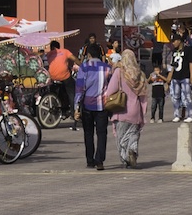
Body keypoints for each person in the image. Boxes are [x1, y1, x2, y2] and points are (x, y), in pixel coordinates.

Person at [104, 49, 150, 168]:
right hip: (135, 111)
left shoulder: (119, 71)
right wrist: (143, 111)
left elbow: (110, 90)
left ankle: (125, 159)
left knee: (121, 138)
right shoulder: (140, 74)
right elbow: (143, 96)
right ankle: (132, 150)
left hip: (121, 109)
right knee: (133, 135)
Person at [75, 42, 113, 170]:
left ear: (89, 55)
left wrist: (76, 107)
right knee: (102, 133)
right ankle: (100, 160)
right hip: (103, 105)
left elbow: (79, 88)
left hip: (87, 105)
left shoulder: (84, 67)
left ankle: (90, 160)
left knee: (88, 133)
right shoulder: (107, 68)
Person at [46, 40, 78, 131]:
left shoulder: (48, 54)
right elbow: (75, 59)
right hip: (65, 76)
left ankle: (60, 106)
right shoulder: (65, 51)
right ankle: (73, 113)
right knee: (72, 92)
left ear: (51, 47)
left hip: (53, 77)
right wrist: (82, 66)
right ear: (58, 47)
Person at [167, 37, 192, 123]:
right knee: (176, 97)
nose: (173, 43)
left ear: (179, 41)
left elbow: (191, 63)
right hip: (176, 77)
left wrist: (191, 76)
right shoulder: (174, 51)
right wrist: (170, 76)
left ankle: (190, 115)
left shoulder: (187, 50)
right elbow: (173, 65)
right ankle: (176, 115)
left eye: (174, 41)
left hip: (185, 76)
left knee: (187, 96)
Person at [147, 57, 168, 123]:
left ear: (160, 70)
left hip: (161, 94)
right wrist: (150, 77)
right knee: (153, 106)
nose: (156, 71)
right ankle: (152, 117)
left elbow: (166, 80)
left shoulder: (161, 75)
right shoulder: (152, 76)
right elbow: (147, 82)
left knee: (161, 107)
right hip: (154, 94)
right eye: (155, 70)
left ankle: (160, 118)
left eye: (157, 70)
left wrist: (159, 75)